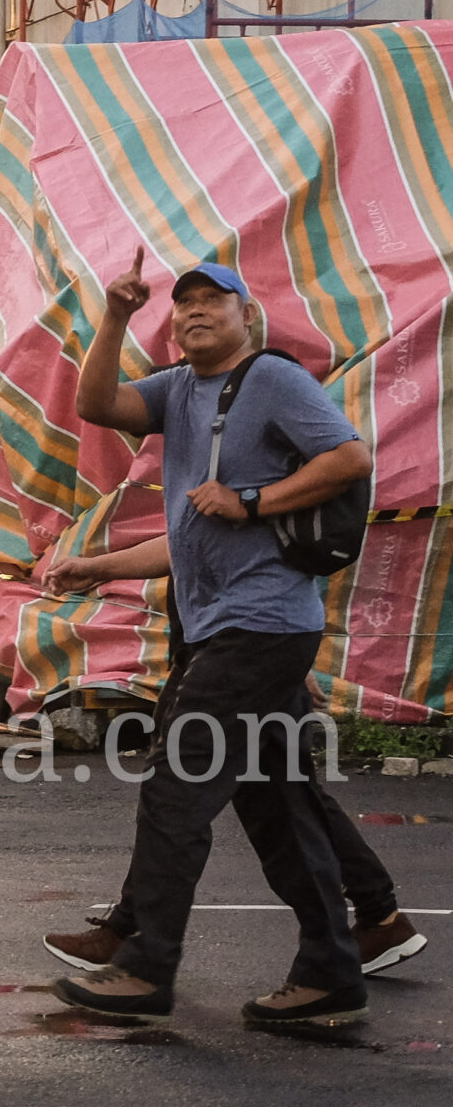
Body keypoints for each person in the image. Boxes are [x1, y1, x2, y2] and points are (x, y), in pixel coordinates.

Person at [56, 253, 378, 1029]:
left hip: (261, 626)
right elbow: (97, 404)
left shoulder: (271, 380)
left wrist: (254, 498)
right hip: (231, 630)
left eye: (215, 301)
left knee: (177, 785)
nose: (196, 311)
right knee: (275, 802)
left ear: (245, 316)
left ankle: (146, 966)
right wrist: (114, 315)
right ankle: (332, 969)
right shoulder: (178, 390)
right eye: (185, 302)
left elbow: (350, 455)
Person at [35, 534, 428, 980]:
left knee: (182, 797)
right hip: (229, 647)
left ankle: (142, 949)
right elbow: (190, 540)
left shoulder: (247, 477)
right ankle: (370, 926)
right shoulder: (221, 481)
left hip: (238, 649)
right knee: (285, 794)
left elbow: (242, 548)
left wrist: (288, 655)